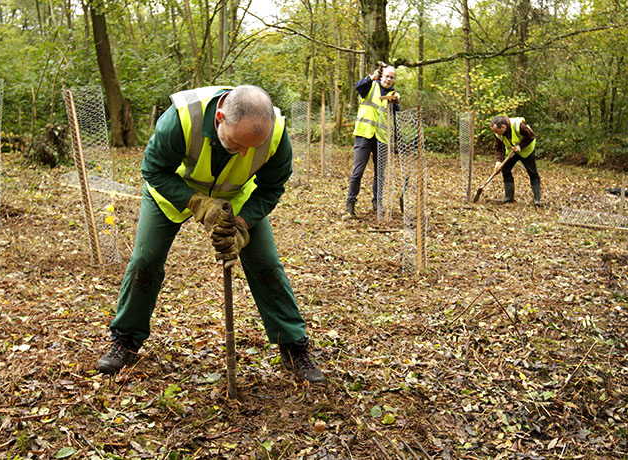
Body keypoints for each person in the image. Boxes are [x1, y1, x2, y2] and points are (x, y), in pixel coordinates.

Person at [95, 85, 324, 383]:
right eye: (237, 143)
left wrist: (242, 224)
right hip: (173, 192)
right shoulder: (180, 119)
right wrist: (198, 204)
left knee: (266, 263)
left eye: (253, 147)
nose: (245, 153)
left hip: (236, 196)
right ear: (219, 118)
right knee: (145, 260)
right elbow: (153, 170)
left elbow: (272, 187)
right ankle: (125, 339)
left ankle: (294, 346)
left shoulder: (277, 134)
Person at [345, 63, 400, 216]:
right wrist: (371, 77)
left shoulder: (394, 94)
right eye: (387, 76)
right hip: (365, 134)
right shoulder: (370, 86)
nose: (388, 80)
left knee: (380, 173)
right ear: (381, 75)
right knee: (358, 171)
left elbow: (395, 116)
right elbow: (359, 86)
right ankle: (350, 204)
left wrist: (396, 103)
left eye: (392, 77)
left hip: (382, 138)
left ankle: (378, 202)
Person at [490, 115, 541, 206]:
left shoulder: (519, 125)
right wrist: (498, 162)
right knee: (505, 170)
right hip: (513, 151)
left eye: (497, 131)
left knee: (532, 173)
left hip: (526, 150)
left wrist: (520, 146)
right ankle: (508, 197)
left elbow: (531, 136)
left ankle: (537, 200)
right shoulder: (497, 133)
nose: (496, 133)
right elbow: (499, 148)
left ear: (503, 127)